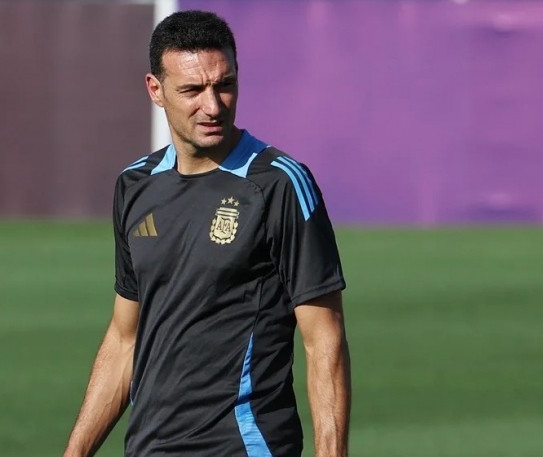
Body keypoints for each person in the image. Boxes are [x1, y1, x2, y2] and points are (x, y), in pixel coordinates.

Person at [64, 10, 350, 457]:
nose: (213, 106)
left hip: (243, 446)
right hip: (149, 448)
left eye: (225, 85)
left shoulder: (278, 184)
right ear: (155, 90)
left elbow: (324, 338)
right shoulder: (135, 185)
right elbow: (125, 338)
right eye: (192, 90)